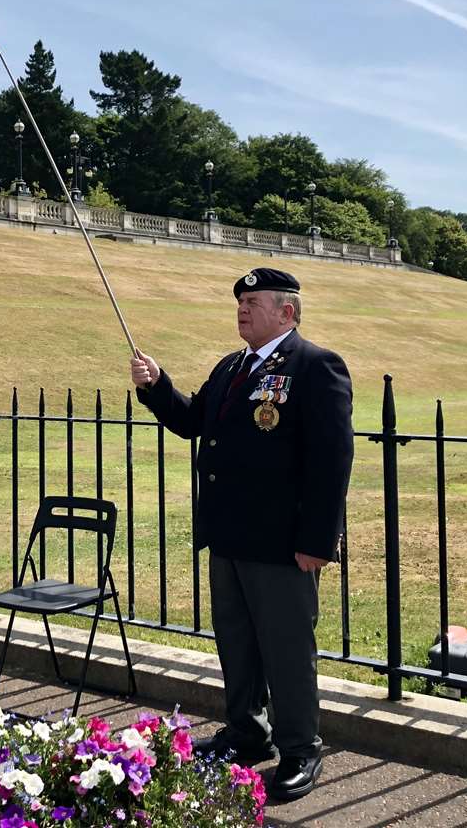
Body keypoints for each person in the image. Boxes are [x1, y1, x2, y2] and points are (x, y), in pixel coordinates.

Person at [130, 267, 353, 800]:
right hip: (229, 535)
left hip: (282, 543)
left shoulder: (316, 366)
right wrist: (158, 386)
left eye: (253, 301)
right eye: (240, 302)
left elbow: (331, 460)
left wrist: (318, 541)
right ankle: (248, 734)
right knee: (237, 642)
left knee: (287, 648)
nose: (242, 309)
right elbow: (193, 421)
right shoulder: (232, 367)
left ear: (288, 312)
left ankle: (301, 747)